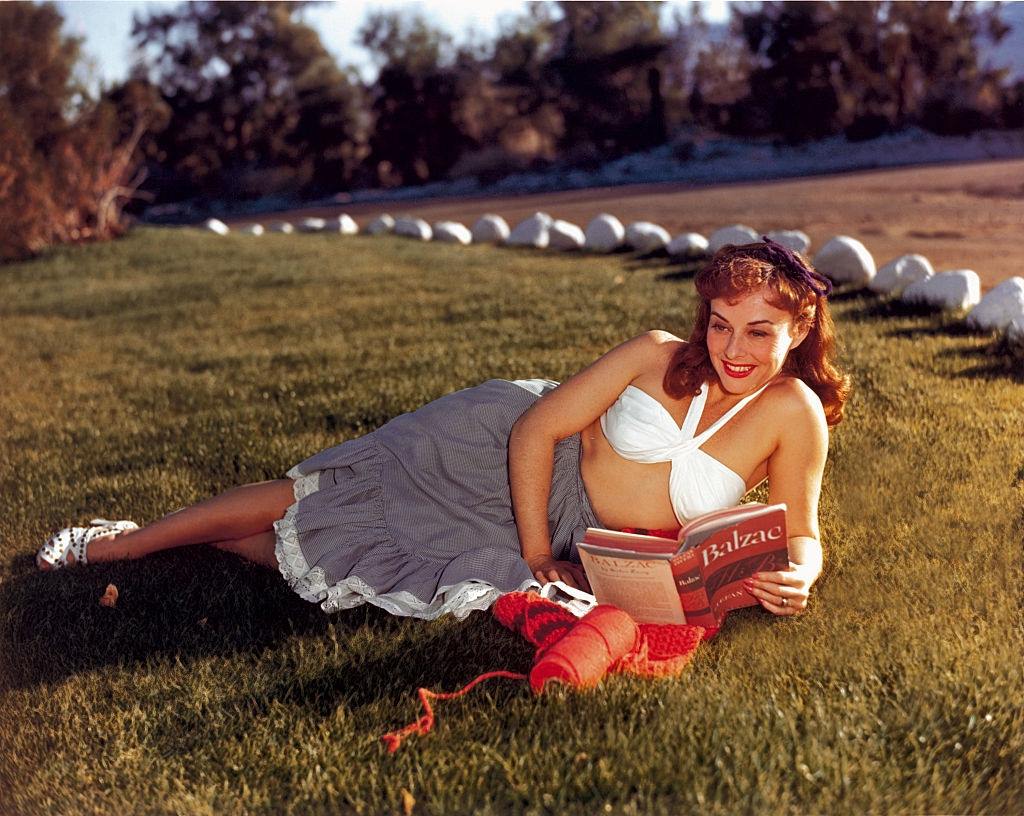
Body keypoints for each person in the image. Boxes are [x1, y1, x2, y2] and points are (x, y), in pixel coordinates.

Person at [36, 238, 850, 621]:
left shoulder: (792, 414)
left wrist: (801, 575)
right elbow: (535, 429)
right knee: (325, 493)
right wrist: (535, 556)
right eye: (720, 324)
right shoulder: (654, 353)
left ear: (799, 329)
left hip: (589, 531)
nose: (733, 348)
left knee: (349, 553)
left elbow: (801, 532)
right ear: (701, 318)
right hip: (505, 446)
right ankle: (121, 546)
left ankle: (199, 542)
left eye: (758, 332)